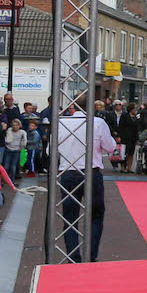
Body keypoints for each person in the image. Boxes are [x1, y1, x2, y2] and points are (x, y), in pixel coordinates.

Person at [55, 96, 117, 262]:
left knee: (69, 217)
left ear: (73, 107)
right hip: (91, 172)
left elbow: (50, 151)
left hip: (68, 172)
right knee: (95, 215)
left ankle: (73, 256)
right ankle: (91, 255)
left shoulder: (61, 123)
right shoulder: (98, 123)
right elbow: (110, 147)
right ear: (92, 107)